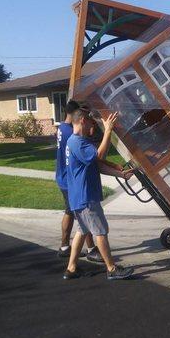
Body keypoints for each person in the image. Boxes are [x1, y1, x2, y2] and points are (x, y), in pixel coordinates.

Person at [63, 106, 134, 280]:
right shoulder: (77, 142)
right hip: (86, 197)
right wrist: (108, 130)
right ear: (82, 121)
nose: (92, 128)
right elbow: (99, 155)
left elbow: (97, 165)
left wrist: (121, 174)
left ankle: (71, 268)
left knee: (82, 230)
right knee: (100, 230)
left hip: (78, 196)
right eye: (91, 123)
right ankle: (111, 269)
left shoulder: (77, 142)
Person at [55, 100, 103, 263]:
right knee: (82, 215)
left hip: (64, 175)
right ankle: (91, 249)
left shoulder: (61, 127)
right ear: (77, 115)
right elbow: (94, 156)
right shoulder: (72, 135)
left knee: (72, 212)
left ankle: (65, 250)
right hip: (71, 179)